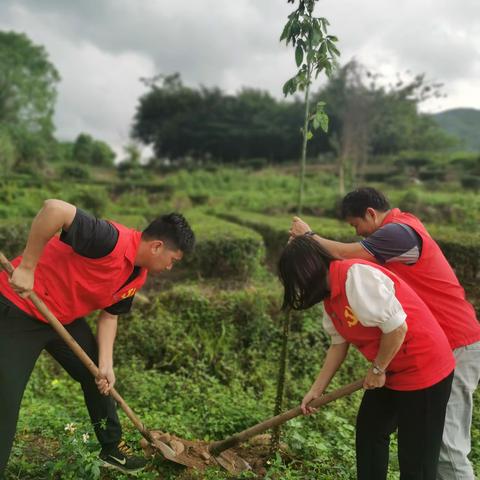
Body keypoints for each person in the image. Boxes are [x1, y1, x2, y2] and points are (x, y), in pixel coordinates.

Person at [289, 187, 480, 480]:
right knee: (381, 432)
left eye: (357, 226)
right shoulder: (388, 240)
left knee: (446, 449)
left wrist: (308, 237)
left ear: (370, 213)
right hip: (416, 345)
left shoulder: (399, 233)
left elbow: (341, 254)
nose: (360, 234)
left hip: (456, 341)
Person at [0, 199, 195, 477]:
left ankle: (112, 450)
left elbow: (110, 316)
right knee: (5, 400)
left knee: (98, 381)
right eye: (173, 261)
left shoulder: (136, 275)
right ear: (157, 247)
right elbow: (54, 209)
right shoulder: (109, 240)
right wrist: (28, 267)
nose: (169, 268)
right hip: (19, 308)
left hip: (62, 319)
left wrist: (106, 364)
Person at [278, 236, 455, 480]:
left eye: (296, 280)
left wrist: (377, 369)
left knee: (416, 459)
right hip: (389, 369)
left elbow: (397, 329)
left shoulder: (356, 278)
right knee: (370, 434)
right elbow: (338, 345)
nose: (298, 288)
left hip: (424, 369)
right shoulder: (330, 297)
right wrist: (316, 390)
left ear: (307, 271)